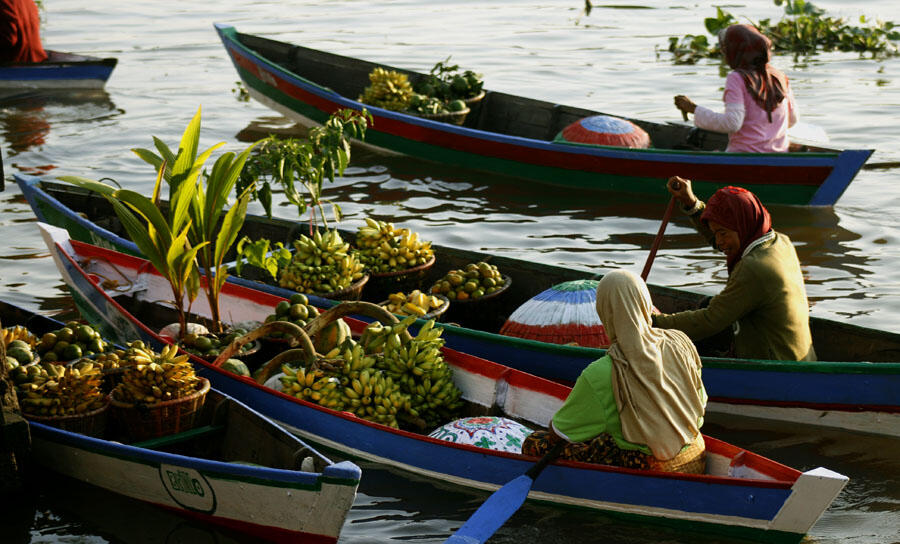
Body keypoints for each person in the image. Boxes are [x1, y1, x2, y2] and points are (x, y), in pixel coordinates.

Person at [522, 269, 707, 474]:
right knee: (610, 435)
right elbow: (701, 401)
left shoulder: (603, 372)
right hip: (696, 453)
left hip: (651, 468)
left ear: (604, 311)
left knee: (535, 443)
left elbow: (560, 433)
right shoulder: (680, 341)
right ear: (646, 302)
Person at [652, 176, 816, 361]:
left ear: (742, 226)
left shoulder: (754, 268)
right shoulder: (779, 241)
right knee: (708, 303)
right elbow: (723, 239)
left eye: (723, 233)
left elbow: (710, 320)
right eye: (716, 233)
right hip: (798, 356)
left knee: (709, 314)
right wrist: (692, 204)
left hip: (778, 364)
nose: (719, 241)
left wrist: (651, 322)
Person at [673, 24, 796, 153]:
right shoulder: (780, 76)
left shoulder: (737, 78)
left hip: (744, 155)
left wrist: (694, 109)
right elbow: (792, 119)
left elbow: (732, 123)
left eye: (726, 50)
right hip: (780, 153)